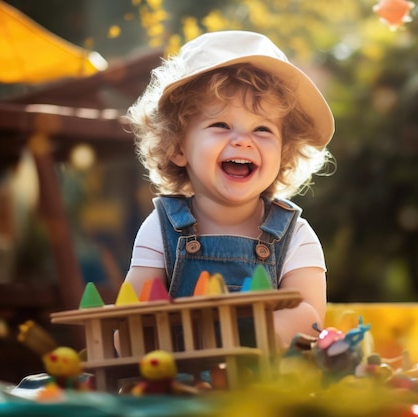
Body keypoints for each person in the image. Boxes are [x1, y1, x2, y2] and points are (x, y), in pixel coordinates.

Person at [122, 30, 335, 349]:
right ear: (178, 147)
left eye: (262, 129)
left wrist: (248, 337)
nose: (243, 140)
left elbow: (310, 313)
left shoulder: (296, 235)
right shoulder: (160, 228)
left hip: (260, 388)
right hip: (178, 385)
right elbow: (135, 310)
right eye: (220, 125)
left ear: (284, 153)